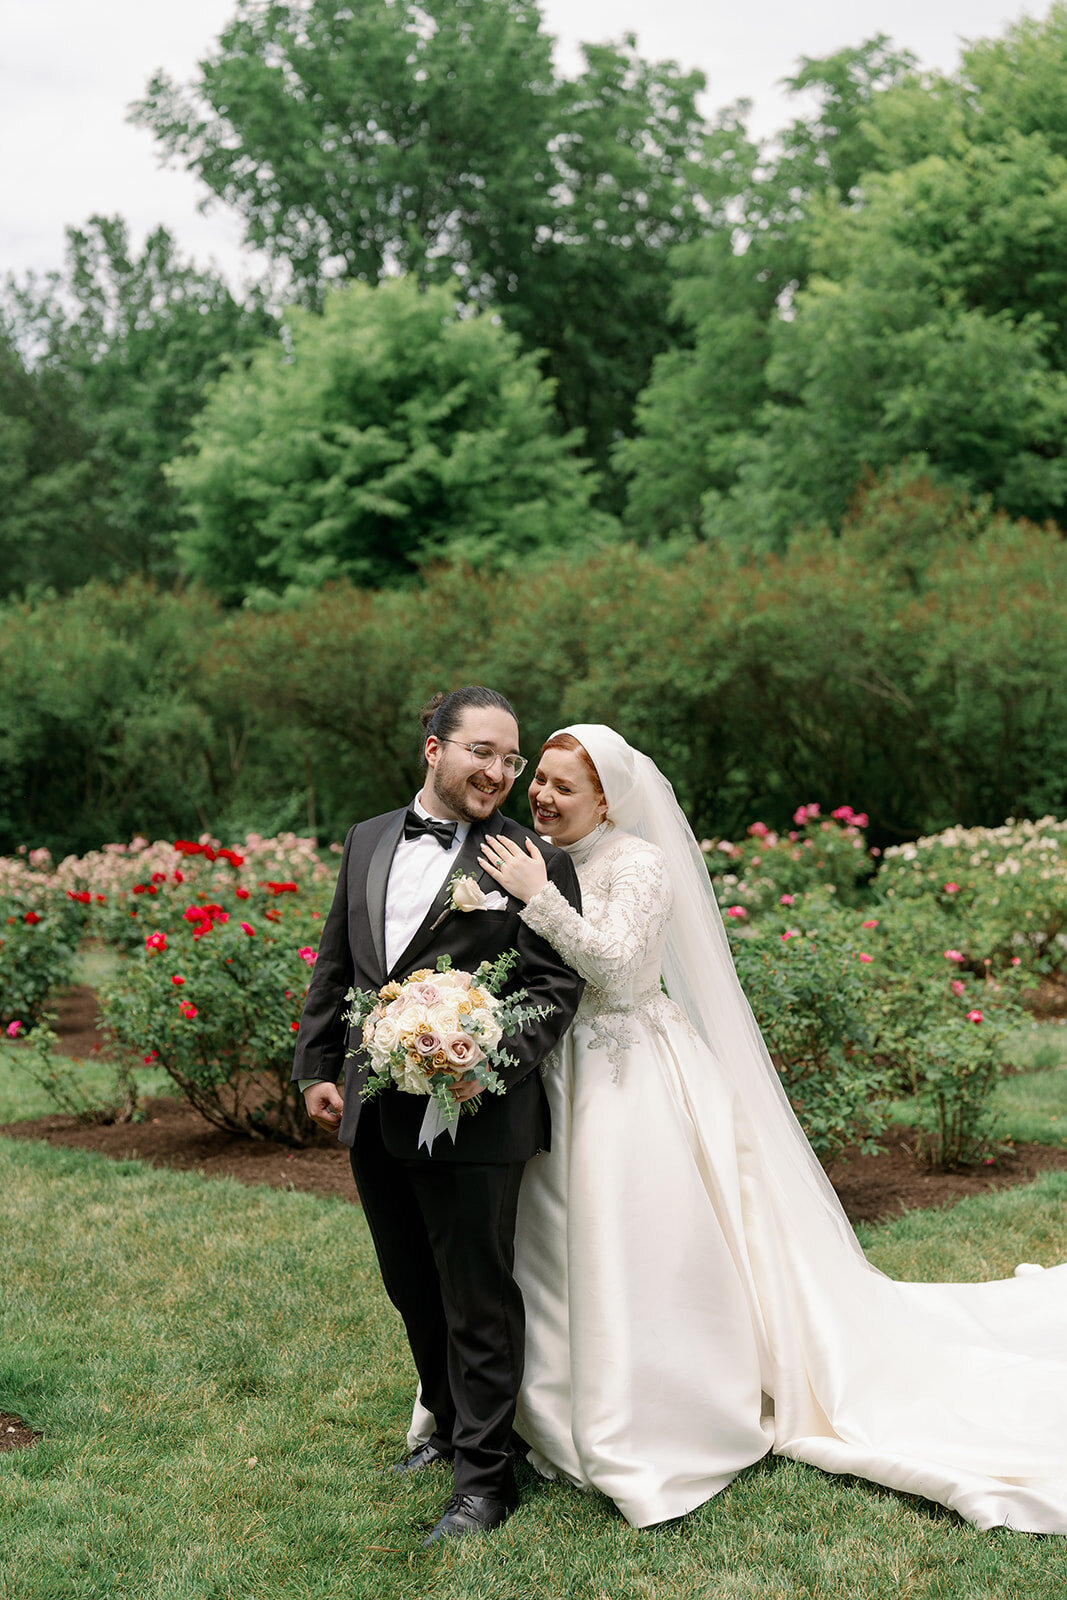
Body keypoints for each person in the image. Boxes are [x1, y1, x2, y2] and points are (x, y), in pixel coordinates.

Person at [457, 723, 1067, 1533]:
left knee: (634, 1235)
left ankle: (655, 1402)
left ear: (609, 799)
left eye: (564, 787)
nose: (541, 794)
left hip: (630, 1073)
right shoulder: (535, 852)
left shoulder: (637, 863)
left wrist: (539, 896)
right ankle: (536, 1399)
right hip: (551, 1074)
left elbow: (617, 968)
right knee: (541, 1240)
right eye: (541, 780)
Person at [292, 687, 584, 1546]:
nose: (500, 772)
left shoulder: (530, 859)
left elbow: (551, 990)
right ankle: (453, 1430)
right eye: (482, 753)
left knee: (477, 1300)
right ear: (433, 750)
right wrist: (316, 1065)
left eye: (511, 758)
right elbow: (338, 959)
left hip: (477, 1116)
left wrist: (477, 1061)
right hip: (376, 1111)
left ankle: (486, 1482)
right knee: (410, 1286)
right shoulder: (369, 838)